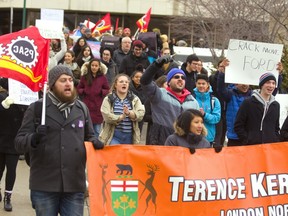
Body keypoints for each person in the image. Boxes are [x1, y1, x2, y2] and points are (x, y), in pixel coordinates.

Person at [14, 65, 104, 216]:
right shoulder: (37, 109)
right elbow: (19, 142)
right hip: (44, 184)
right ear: (52, 85)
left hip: (74, 184)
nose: (68, 83)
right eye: (63, 80)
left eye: (70, 80)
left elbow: (89, 136)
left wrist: (95, 142)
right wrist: (33, 138)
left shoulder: (81, 108)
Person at [140, 56, 199, 145]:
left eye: (183, 78)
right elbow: (144, 81)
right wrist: (155, 65)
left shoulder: (193, 102)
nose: (180, 79)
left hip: (183, 144)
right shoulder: (159, 94)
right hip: (161, 142)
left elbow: (196, 126)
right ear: (168, 82)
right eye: (176, 77)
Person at [0, 78, 26, 212]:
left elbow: (28, 117)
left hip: (14, 141)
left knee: (11, 170)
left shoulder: (23, 99)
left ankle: (8, 196)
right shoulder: (1, 97)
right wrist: (3, 105)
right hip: (1, 138)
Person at [234, 72, 280, 145]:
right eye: (268, 82)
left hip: (270, 147)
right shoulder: (248, 102)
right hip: (252, 147)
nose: (271, 86)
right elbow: (238, 126)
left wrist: (275, 139)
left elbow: (276, 128)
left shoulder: (276, 105)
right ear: (261, 85)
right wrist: (247, 140)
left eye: (273, 83)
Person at [99, 74, 145, 145]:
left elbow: (141, 114)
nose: (124, 83)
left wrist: (129, 113)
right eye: (121, 82)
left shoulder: (134, 98)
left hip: (130, 136)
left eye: (126, 82)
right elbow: (106, 116)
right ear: (115, 85)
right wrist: (120, 117)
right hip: (114, 136)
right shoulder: (108, 98)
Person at [77, 59, 110, 138]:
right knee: (85, 127)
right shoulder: (84, 77)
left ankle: (95, 145)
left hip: (98, 105)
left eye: (96, 66)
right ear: (89, 66)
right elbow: (79, 88)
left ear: (99, 67)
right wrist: (84, 91)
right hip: (87, 105)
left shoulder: (102, 78)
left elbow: (107, 89)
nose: (94, 67)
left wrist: (101, 91)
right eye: (92, 65)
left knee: (97, 130)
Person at [193, 74, 221, 144]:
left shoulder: (214, 100)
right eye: (199, 83)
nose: (201, 86)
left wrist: (204, 115)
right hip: (193, 136)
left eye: (203, 84)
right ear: (196, 84)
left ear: (208, 84)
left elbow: (216, 118)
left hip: (209, 137)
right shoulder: (191, 98)